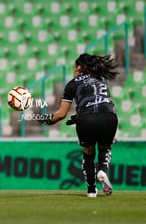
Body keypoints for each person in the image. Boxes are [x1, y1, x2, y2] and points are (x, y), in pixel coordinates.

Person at [36, 53, 119, 198]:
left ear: (80, 67)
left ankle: (91, 190)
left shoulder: (72, 84)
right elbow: (99, 103)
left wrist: (43, 119)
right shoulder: (102, 80)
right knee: (105, 147)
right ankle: (102, 171)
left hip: (86, 120)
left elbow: (60, 114)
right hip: (109, 117)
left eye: (75, 67)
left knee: (88, 151)